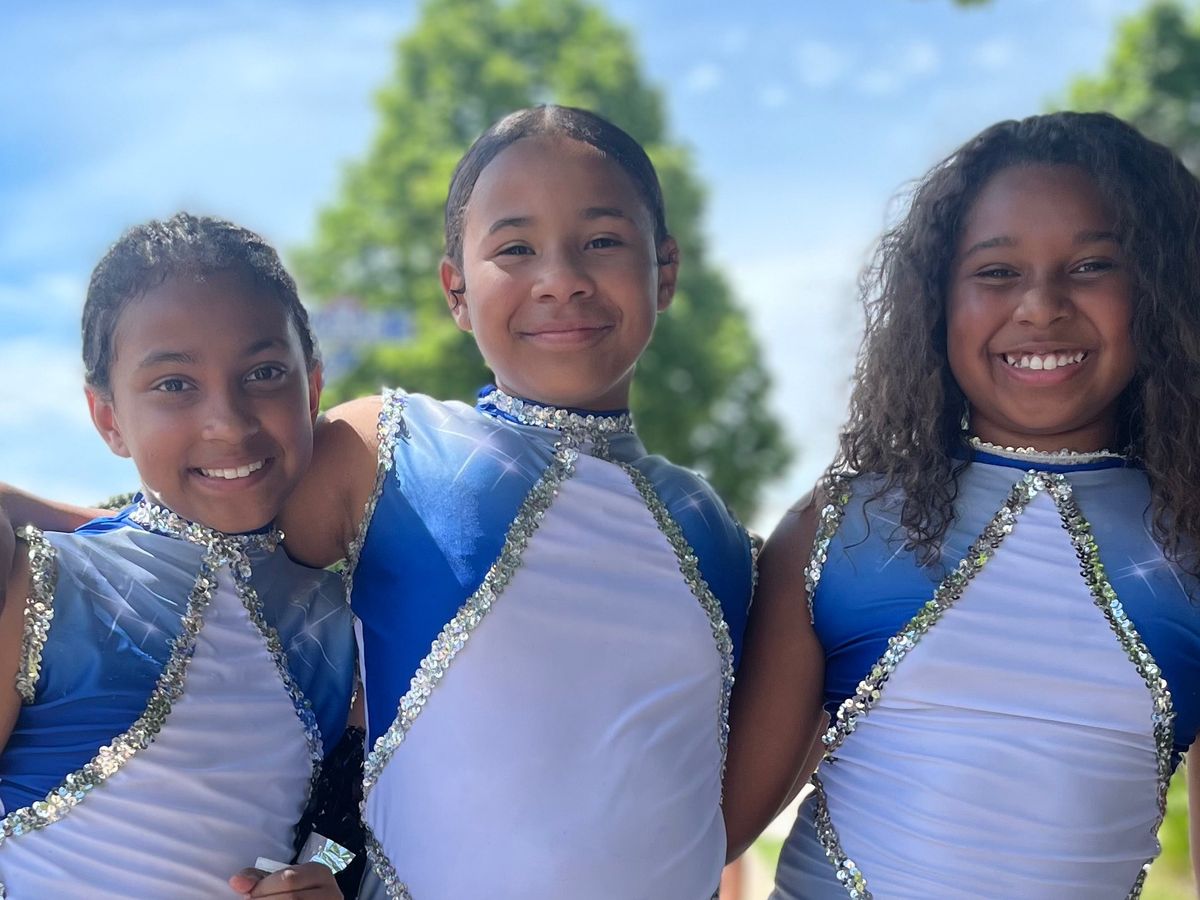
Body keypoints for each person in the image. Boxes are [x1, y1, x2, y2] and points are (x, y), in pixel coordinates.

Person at [265, 104, 756, 900]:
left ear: (664, 270)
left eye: (602, 241)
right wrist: (319, 864)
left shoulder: (714, 530)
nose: (561, 279)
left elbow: (719, 794)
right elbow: (196, 580)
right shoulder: (380, 449)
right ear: (456, 290)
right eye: (516, 248)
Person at [723, 111, 1200, 899]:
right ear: (937, 302)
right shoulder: (838, 529)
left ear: (1161, 290)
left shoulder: (1188, 542)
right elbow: (711, 832)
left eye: (1091, 266)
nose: (1040, 306)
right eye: (997, 271)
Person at [0, 214, 357, 898]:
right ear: (108, 419)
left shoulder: (346, 623)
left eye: (264, 373)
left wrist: (326, 877)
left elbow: (348, 831)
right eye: (174, 384)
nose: (228, 421)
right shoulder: (47, 582)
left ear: (312, 389)